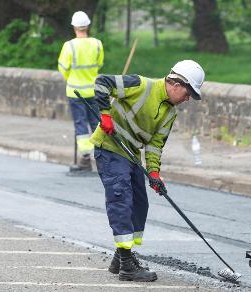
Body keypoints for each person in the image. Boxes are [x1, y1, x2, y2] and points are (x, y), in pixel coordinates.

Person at [90, 60, 205, 282]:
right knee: (121, 199)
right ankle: (126, 266)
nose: (187, 98)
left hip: (130, 153)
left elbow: (154, 146)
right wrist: (105, 115)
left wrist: (154, 174)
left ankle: (120, 258)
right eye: (188, 93)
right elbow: (102, 82)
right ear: (176, 84)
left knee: (140, 204)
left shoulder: (170, 113)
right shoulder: (141, 85)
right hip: (110, 148)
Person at [58, 11, 104, 172]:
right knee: (96, 123)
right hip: (93, 90)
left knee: (80, 125)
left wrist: (71, 78)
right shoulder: (97, 44)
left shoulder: (69, 46)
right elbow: (99, 64)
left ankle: (85, 159)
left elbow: (63, 69)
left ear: (74, 27)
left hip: (75, 92)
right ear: (87, 26)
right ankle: (102, 156)